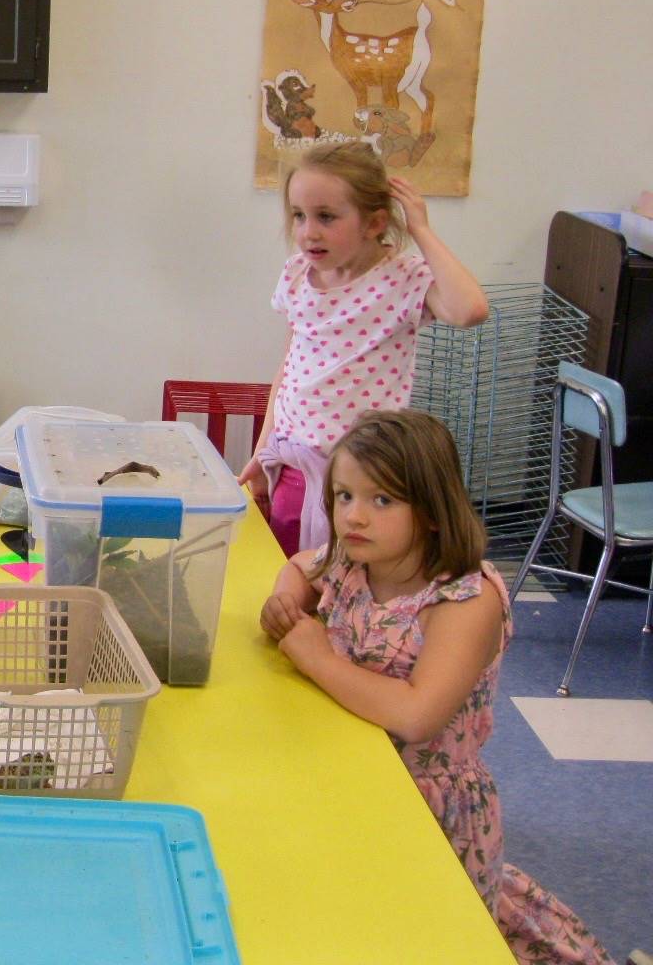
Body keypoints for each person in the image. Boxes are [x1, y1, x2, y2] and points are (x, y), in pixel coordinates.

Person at [260, 411, 614, 965]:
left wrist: (317, 658)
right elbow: (303, 566)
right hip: (358, 776)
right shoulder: (356, 560)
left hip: (430, 804)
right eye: (344, 495)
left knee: (431, 936)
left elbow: (418, 713)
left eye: (382, 501)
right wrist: (284, 599)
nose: (355, 516)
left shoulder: (467, 602)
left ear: (429, 510)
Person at [238, 140, 488, 555]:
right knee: (287, 579)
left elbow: (470, 310)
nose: (308, 231)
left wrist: (420, 229)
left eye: (326, 217)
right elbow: (289, 369)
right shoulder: (299, 274)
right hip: (295, 464)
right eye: (299, 216)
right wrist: (265, 452)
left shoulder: (402, 278)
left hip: (361, 477)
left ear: (374, 224)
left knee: (348, 586)